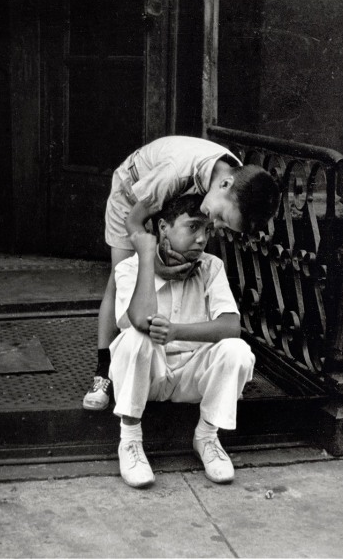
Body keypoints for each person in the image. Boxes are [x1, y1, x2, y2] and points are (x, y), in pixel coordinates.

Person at [82, 135, 279, 411]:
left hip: (174, 192)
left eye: (222, 225)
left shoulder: (232, 178)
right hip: (133, 196)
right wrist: (153, 263)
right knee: (120, 277)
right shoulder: (176, 172)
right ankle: (104, 370)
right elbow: (135, 221)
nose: (215, 225)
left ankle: (173, 365)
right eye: (221, 217)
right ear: (224, 184)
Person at [109, 194, 255, 488]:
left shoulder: (210, 266)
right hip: (148, 377)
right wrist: (148, 257)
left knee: (237, 350)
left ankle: (206, 436)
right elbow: (139, 320)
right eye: (192, 228)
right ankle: (130, 441)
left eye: (208, 230)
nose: (202, 239)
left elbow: (231, 325)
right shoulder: (129, 268)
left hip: (193, 375)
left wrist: (176, 331)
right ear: (163, 227)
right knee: (136, 339)